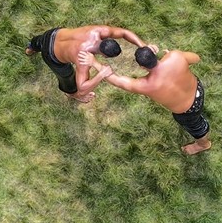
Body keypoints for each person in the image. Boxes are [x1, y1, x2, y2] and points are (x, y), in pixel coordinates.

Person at [81, 45, 211, 155]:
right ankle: (200, 127)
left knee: (197, 127)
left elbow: (118, 81)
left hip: (188, 111)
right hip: (198, 89)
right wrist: (173, 56)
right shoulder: (176, 57)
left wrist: (95, 63)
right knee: (196, 115)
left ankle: (203, 145)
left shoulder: (146, 85)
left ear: (142, 67)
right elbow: (196, 58)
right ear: (154, 55)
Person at [25, 25, 149, 103]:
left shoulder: (97, 31)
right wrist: (101, 74)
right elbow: (83, 88)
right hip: (51, 55)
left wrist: (145, 47)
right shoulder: (83, 58)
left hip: (53, 33)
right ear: (104, 55)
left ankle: (31, 48)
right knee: (67, 76)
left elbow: (124, 32)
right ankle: (72, 95)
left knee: (40, 40)